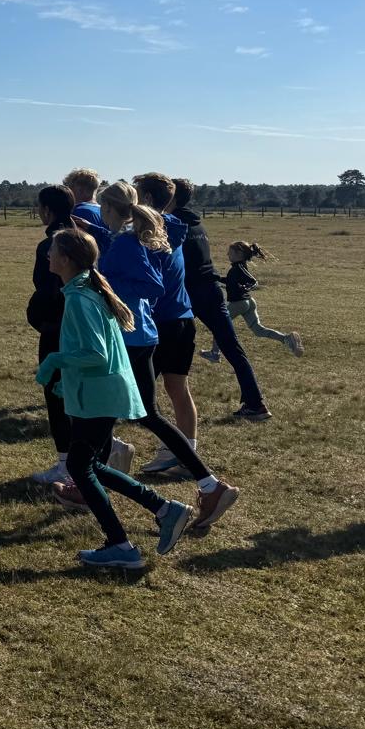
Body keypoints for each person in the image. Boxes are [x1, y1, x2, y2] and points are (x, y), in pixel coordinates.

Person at [37, 228, 195, 569]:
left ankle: (122, 545)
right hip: (99, 392)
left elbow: (96, 354)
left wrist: (55, 361)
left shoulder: (80, 298)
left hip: (99, 396)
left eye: (52, 250)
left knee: (79, 467)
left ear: (66, 259)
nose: (48, 255)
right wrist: (68, 381)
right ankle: (164, 510)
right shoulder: (86, 289)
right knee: (90, 466)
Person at [86, 181, 239, 532]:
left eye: (101, 208)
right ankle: (97, 476)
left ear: (108, 208)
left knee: (136, 414)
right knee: (126, 413)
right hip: (136, 334)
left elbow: (152, 284)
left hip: (133, 338)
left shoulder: (127, 242)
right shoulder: (129, 238)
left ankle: (205, 486)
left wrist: (106, 287)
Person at [25, 185, 111, 484]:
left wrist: (39, 316)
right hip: (80, 328)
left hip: (58, 331)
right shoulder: (84, 236)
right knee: (82, 396)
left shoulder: (51, 245)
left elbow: (46, 289)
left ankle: (67, 465)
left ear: (47, 210)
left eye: (40, 207)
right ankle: (104, 451)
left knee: (58, 397)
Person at [172, 178, 272, 420]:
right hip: (212, 291)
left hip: (189, 293)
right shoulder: (197, 224)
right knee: (233, 349)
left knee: (160, 346)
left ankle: (139, 406)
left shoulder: (172, 224)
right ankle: (256, 404)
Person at [133, 174, 202, 477]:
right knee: (177, 389)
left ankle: (173, 452)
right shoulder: (174, 228)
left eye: (137, 195)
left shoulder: (150, 236)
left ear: (147, 199)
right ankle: (187, 455)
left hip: (160, 323)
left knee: (135, 396)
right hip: (183, 319)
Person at [222, 242, 305, 356]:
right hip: (248, 303)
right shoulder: (237, 267)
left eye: (230, 252)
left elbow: (253, 281)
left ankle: (215, 352)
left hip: (239, 303)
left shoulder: (239, 267)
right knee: (258, 330)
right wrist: (214, 277)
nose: (227, 254)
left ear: (239, 254)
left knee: (219, 323)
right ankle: (287, 338)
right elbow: (230, 281)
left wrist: (247, 287)